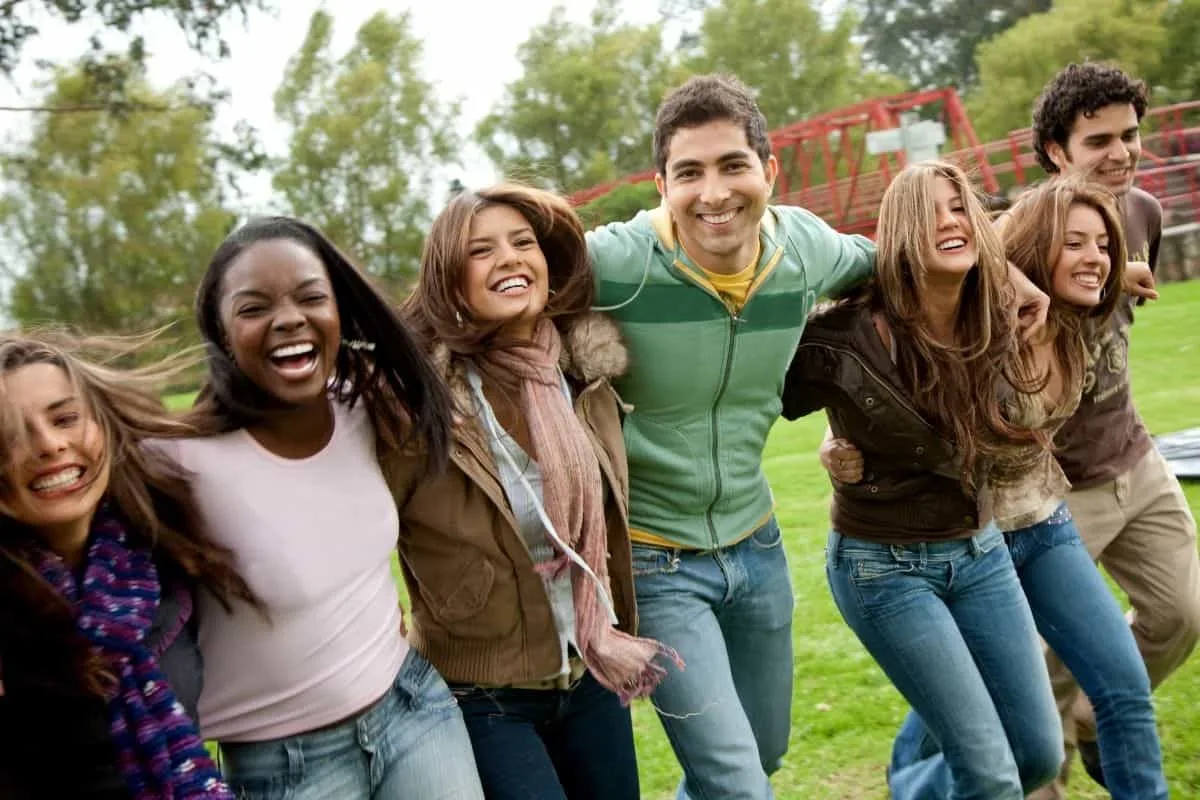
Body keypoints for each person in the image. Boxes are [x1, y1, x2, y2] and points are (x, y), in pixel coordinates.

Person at [583, 73, 1050, 800]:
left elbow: (909, 257)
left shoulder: (801, 248)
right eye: (689, 173)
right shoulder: (617, 265)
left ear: (768, 171)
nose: (714, 193)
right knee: (737, 783)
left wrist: (1019, 281)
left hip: (757, 547)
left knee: (760, 758)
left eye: (733, 165)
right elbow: (498, 277)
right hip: (656, 562)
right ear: (660, 184)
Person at [833, 178, 1168, 798]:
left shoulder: (1074, 321)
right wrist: (842, 446)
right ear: (1037, 251)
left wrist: (1111, 272)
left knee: (1121, 686)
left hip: (1044, 524)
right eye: (1074, 243)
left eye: (1102, 244)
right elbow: (891, 341)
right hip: (968, 540)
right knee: (976, 715)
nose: (1094, 255)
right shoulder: (978, 316)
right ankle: (915, 783)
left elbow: (1088, 265)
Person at [169, 217, 484, 799]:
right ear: (219, 329)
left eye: (311, 297)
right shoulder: (179, 459)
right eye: (254, 307)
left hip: (411, 708)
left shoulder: (364, 406)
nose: (289, 318)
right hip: (284, 761)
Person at [783, 160, 1064, 800]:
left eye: (960, 206)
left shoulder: (995, 311)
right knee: (991, 775)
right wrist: (831, 444)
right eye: (929, 210)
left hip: (979, 549)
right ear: (899, 233)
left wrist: (1125, 270)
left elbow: (1081, 271)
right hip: (884, 566)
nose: (949, 220)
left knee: (1036, 756)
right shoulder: (847, 334)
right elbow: (747, 392)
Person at [390, 183, 677, 800]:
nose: (511, 258)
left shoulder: (585, 379)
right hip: (483, 692)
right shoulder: (419, 407)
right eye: (481, 250)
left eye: (523, 243)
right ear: (449, 280)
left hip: (589, 670)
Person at [1027, 62, 1198, 795]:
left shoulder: (1144, 215)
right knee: (1039, 661)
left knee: (1182, 614)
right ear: (1058, 152)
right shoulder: (1022, 236)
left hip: (1135, 456)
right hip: (1055, 487)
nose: (1123, 152)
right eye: (1100, 140)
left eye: (1131, 134)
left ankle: (1099, 716)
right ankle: (1043, 771)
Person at [0, 333, 250, 799]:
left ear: (102, 424)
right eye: (11, 436)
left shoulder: (166, 555)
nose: (50, 445)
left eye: (66, 419)